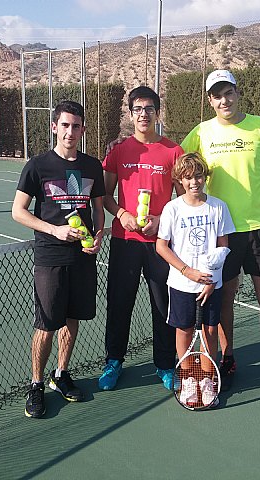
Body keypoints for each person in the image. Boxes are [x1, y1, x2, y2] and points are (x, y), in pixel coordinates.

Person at [180, 69, 260, 402]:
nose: (223, 100)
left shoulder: (259, 126)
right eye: (216, 95)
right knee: (224, 302)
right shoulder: (200, 133)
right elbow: (177, 170)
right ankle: (227, 360)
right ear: (210, 101)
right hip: (220, 235)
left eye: (228, 93)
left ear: (238, 94)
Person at [12, 100, 105, 418]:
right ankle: (36, 383)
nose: (70, 131)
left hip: (82, 257)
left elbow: (98, 208)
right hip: (50, 257)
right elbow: (18, 212)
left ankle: (61, 375)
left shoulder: (92, 167)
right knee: (46, 324)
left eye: (76, 126)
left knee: (72, 319)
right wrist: (55, 230)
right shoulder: (37, 166)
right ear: (54, 127)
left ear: (82, 129)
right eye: (64, 125)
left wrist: (98, 236)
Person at [99, 86, 184, 391]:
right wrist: (122, 215)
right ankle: (114, 361)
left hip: (161, 245)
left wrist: (162, 221)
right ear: (130, 113)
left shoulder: (174, 152)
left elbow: (184, 200)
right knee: (119, 304)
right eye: (138, 109)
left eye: (149, 108)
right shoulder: (119, 151)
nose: (143, 114)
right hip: (125, 242)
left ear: (157, 112)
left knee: (163, 306)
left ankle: (164, 364)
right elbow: (105, 196)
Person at [156, 152, 235, 408]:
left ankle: (207, 378)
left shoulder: (218, 207)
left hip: (212, 285)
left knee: (211, 330)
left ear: (205, 177)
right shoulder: (172, 208)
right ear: (180, 179)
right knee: (184, 330)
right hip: (182, 284)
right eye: (188, 177)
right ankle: (189, 377)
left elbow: (223, 247)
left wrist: (212, 281)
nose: (194, 182)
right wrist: (186, 271)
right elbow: (162, 246)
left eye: (198, 176)